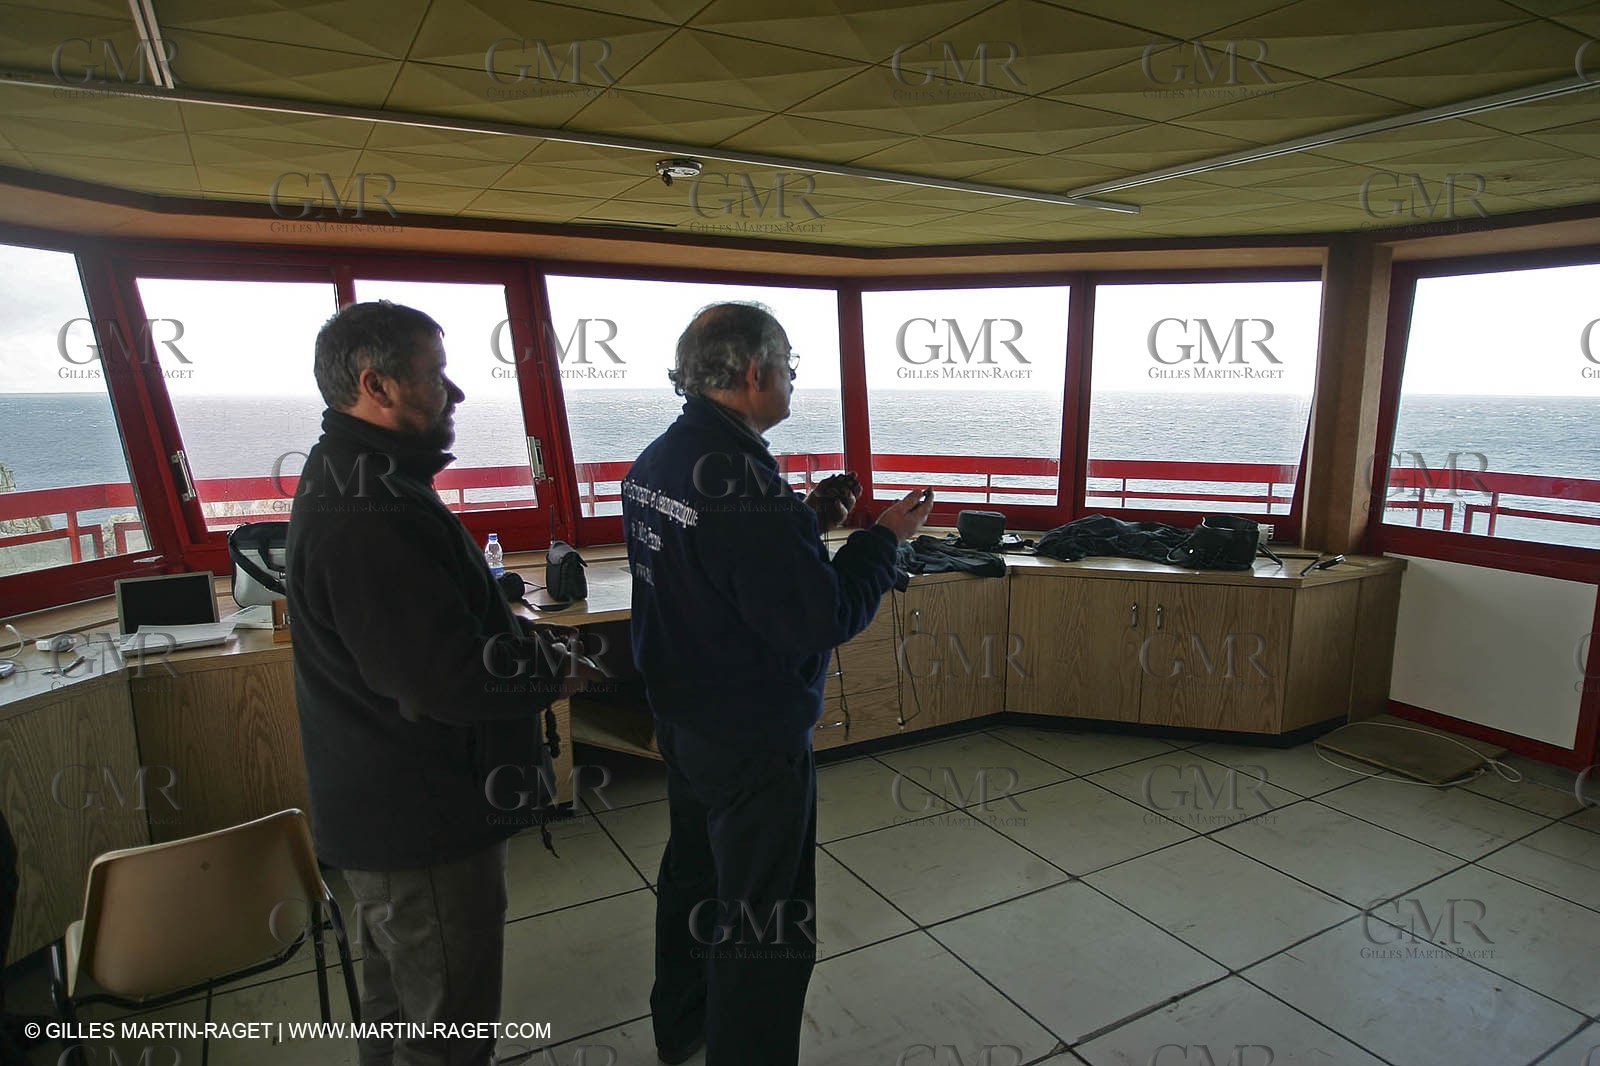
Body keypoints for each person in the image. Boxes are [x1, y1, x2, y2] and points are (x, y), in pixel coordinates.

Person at [622, 302, 934, 1066]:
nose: (795, 376)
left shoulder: (662, 459)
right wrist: (881, 541)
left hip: (685, 719)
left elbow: (725, 570)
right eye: (790, 362)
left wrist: (810, 517)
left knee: (695, 876)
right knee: (765, 916)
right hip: (753, 736)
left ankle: (684, 1025)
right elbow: (815, 617)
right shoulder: (743, 486)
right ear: (755, 372)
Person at [287, 300, 585, 1066]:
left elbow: (434, 631)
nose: (453, 394)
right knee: (445, 1030)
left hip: (385, 815)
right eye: (437, 375)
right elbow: (446, 679)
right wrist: (562, 666)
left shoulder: (366, 477)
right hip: (421, 823)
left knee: (399, 1019)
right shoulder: (370, 508)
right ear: (375, 386)